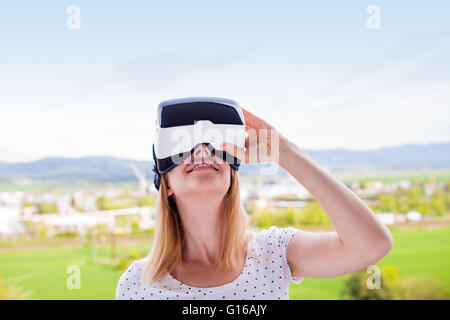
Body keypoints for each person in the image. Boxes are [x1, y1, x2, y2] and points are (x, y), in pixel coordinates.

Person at [115, 106, 393, 300]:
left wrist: (284, 152)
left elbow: (371, 245)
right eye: (182, 146)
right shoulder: (138, 284)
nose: (202, 151)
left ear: (232, 178)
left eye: (215, 145)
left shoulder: (274, 253)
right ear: (166, 186)